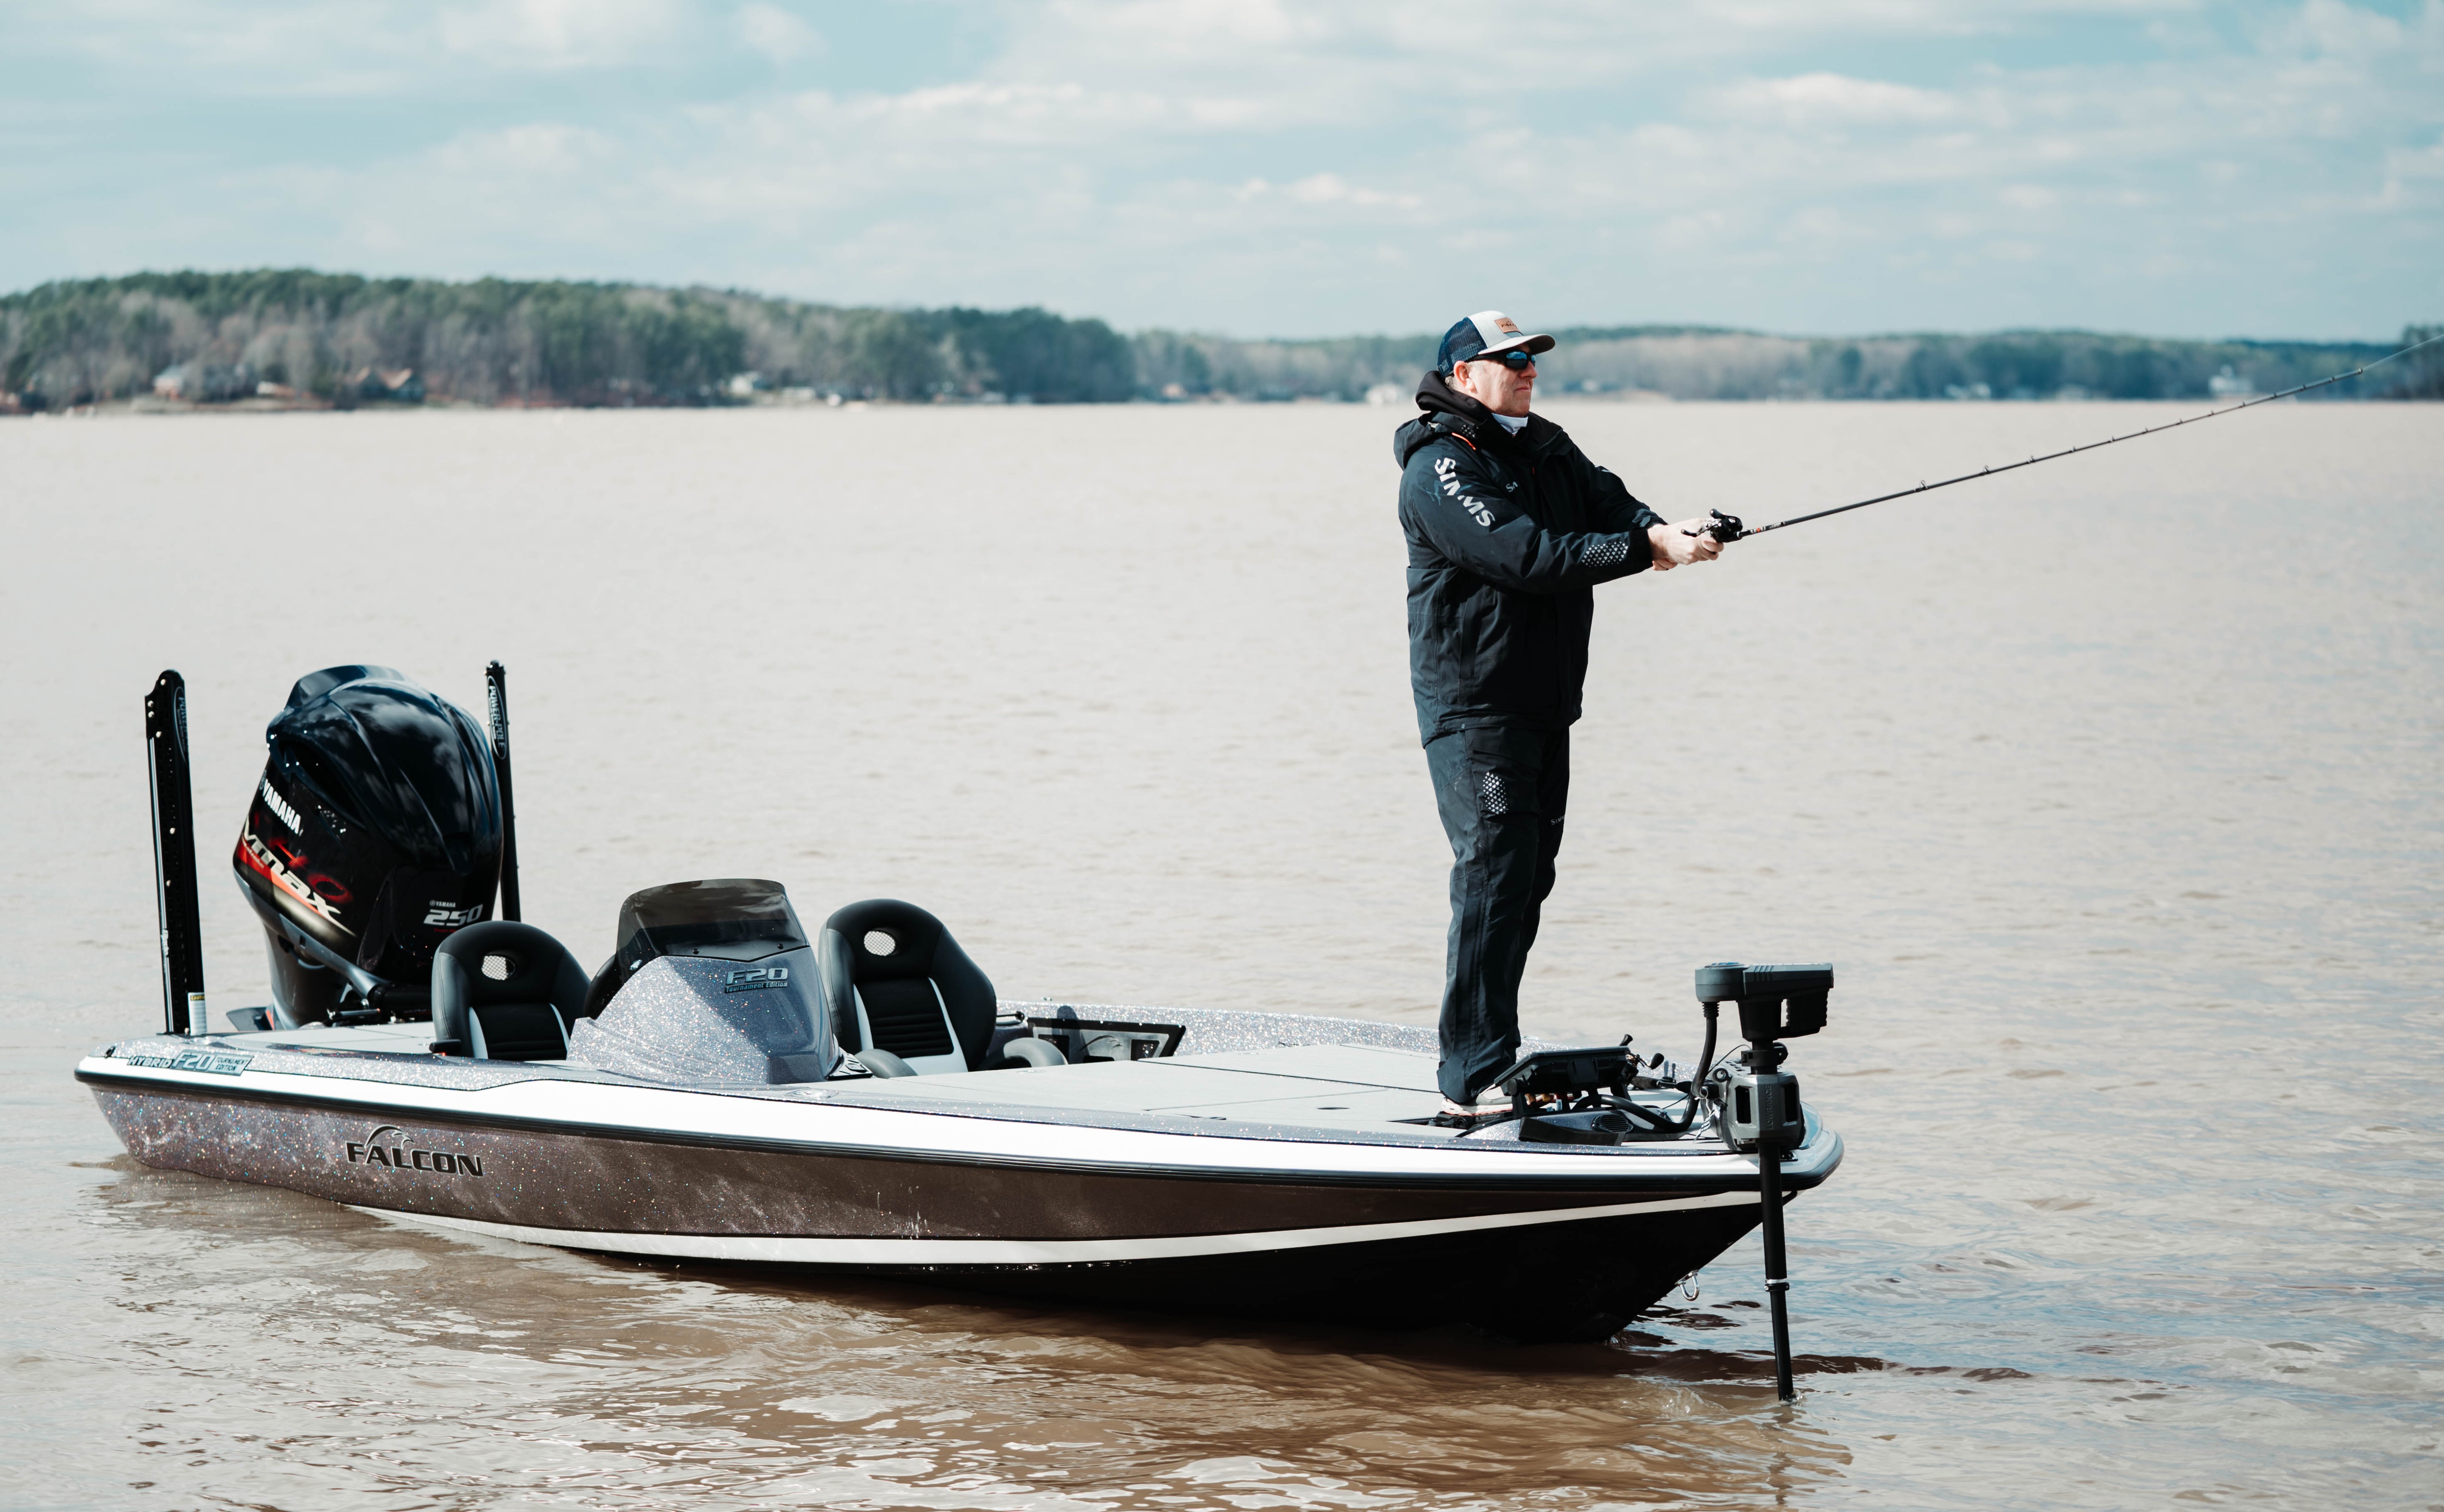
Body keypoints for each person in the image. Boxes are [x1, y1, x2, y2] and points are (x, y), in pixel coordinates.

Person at [1394, 310, 1726, 1116]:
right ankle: (1473, 1075)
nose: (1527, 370)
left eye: (1532, 358)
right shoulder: (1440, 469)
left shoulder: (1544, 444)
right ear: (1464, 376)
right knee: (1494, 876)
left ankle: (1491, 1051)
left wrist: (1665, 530)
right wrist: (1646, 553)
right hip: (1477, 714)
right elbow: (1529, 558)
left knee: (1527, 878)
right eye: (1508, 360)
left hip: (1544, 709)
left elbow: (1608, 505)